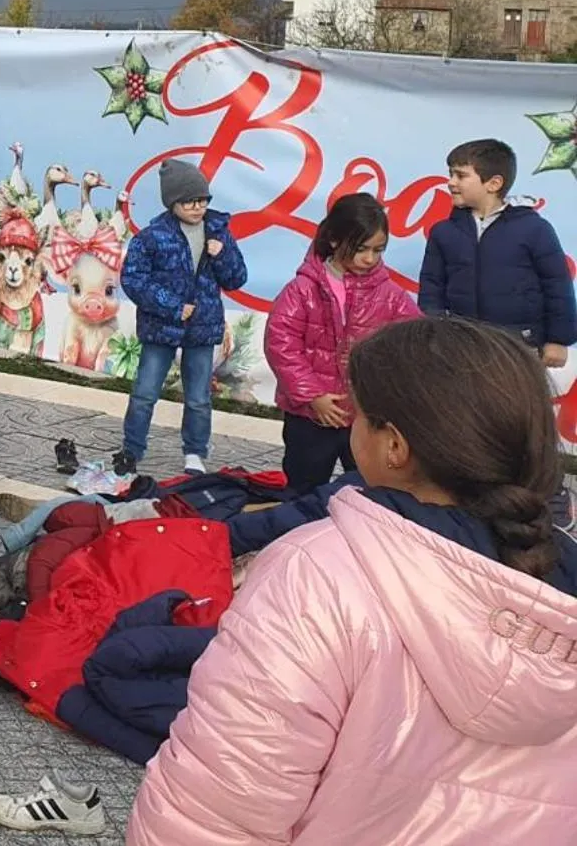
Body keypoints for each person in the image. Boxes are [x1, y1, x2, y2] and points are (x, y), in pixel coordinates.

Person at [127, 317, 577, 845]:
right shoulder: (556, 580)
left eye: (360, 415)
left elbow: (213, 815)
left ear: (394, 447)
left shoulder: (315, 577)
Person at [267, 192, 420, 492]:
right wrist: (313, 395)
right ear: (335, 240)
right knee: (303, 488)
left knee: (371, 490)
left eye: (378, 250)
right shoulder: (302, 289)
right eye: (361, 249)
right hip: (311, 416)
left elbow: (413, 340)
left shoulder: (390, 294)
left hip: (366, 417)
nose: (370, 259)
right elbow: (281, 344)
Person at [115, 159, 247, 476]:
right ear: (172, 202)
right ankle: (132, 449)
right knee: (145, 393)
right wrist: (172, 306)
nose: (197, 207)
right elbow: (133, 279)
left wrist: (222, 254)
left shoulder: (218, 232)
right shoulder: (152, 237)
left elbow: (237, 278)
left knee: (199, 398)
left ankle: (195, 453)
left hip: (203, 329)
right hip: (161, 328)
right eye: (189, 201)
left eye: (202, 200)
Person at [419, 138, 575, 368]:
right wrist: (435, 332)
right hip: (461, 345)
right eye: (450, 174)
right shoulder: (443, 232)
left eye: (461, 175)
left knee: (517, 393)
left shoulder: (535, 229)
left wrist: (558, 340)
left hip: (520, 345)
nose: (451, 182)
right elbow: (432, 287)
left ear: (493, 183)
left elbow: (557, 285)